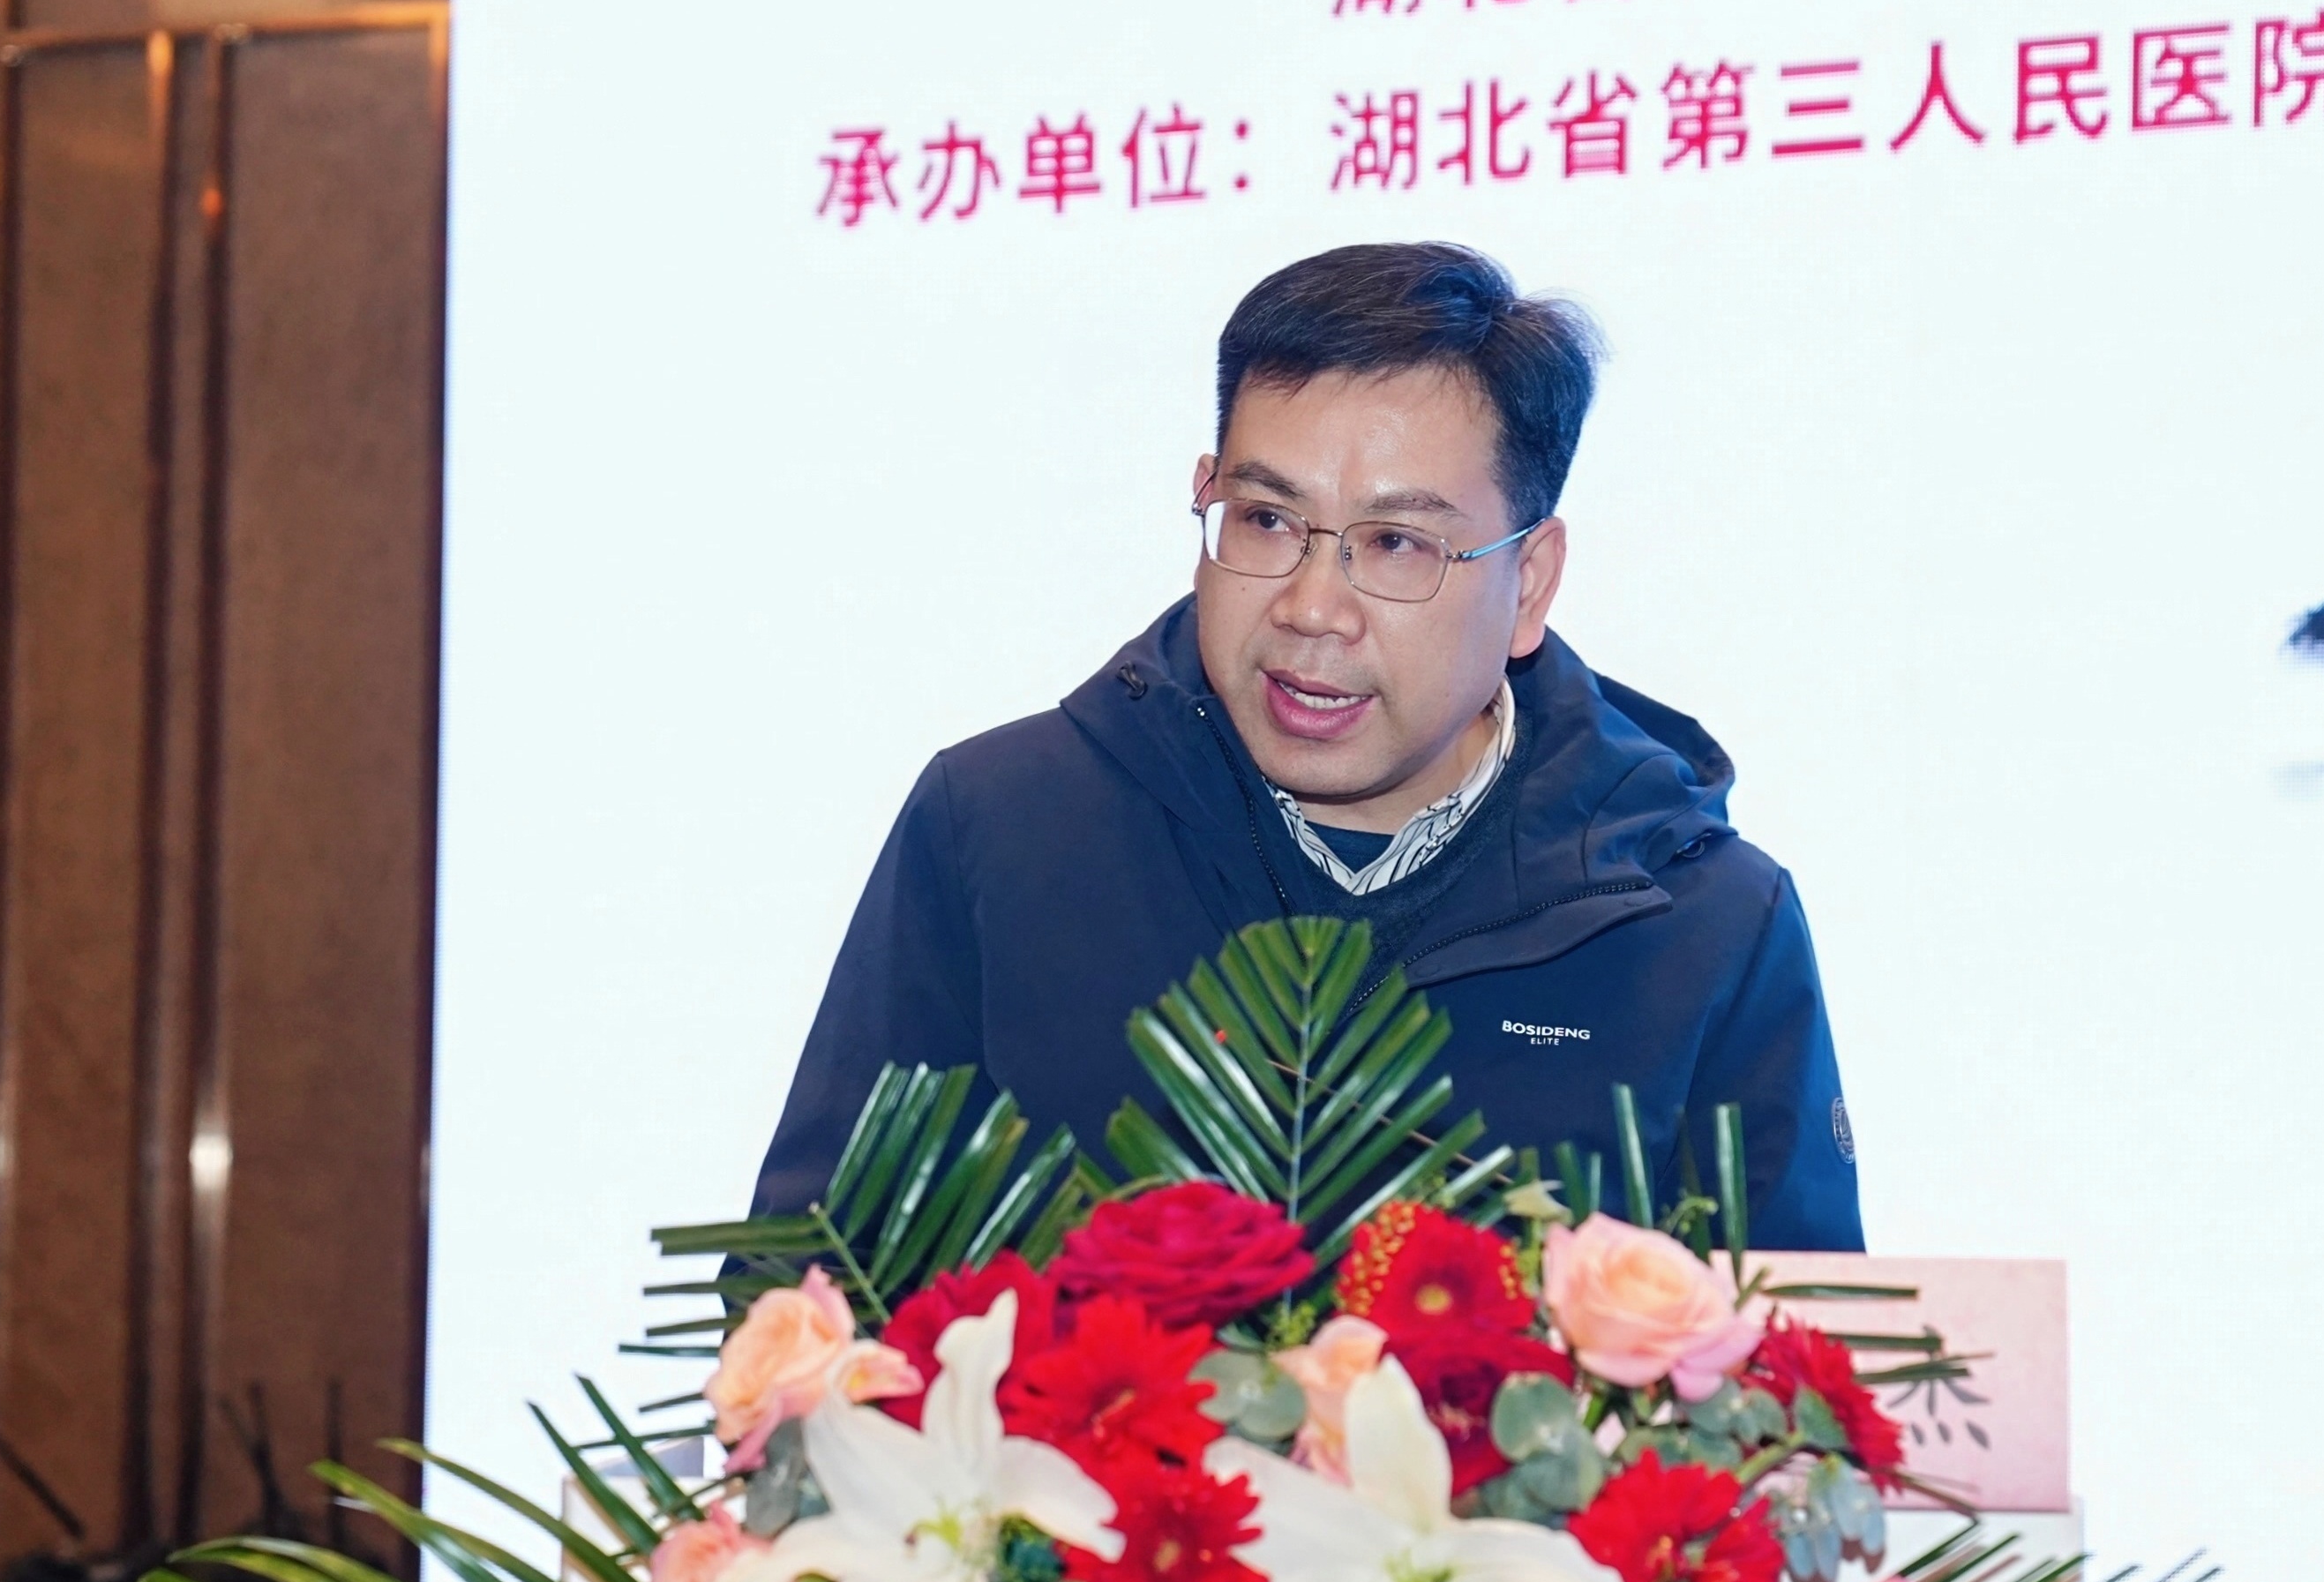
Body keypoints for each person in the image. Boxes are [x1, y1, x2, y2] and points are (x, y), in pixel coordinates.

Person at [754, 243, 1863, 1250]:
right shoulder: (999, 831)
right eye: (1266, 521)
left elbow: (1797, 1372)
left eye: (1396, 544)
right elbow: (813, 1293)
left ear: (1528, 583)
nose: (1311, 608)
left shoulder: (1699, 920)